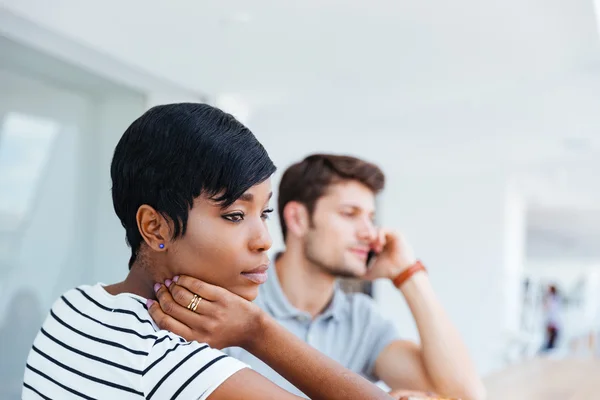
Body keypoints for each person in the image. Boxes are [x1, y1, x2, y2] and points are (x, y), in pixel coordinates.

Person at [21, 104, 393, 400]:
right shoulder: (170, 361)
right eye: (234, 215)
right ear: (154, 227)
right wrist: (257, 330)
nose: (264, 239)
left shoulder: (73, 306)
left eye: (263, 213)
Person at [215, 154, 485, 399]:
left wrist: (408, 273)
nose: (369, 232)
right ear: (298, 219)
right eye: (349, 214)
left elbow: (463, 394)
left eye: (371, 218)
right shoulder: (233, 301)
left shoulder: (362, 319)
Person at [541, 284, 562, 352]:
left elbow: (548, 307)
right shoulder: (555, 298)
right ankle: (550, 346)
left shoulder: (552, 298)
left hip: (552, 318)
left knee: (551, 332)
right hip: (552, 318)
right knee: (550, 332)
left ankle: (550, 346)